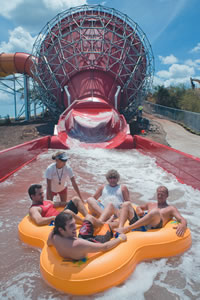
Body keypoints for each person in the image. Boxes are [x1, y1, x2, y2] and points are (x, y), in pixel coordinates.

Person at [47, 212, 127, 260]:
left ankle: (104, 222)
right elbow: (104, 247)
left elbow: (48, 243)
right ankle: (114, 222)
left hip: (82, 238)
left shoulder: (54, 236)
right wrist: (120, 238)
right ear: (61, 229)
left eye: (74, 224)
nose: (75, 227)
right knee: (107, 227)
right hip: (93, 241)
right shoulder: (78, 244)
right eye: (71, 226)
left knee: (89, 218)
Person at [116, 186, 187, 237]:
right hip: (141, 225)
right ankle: (120, 228)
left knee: (155, 212)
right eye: (158, 194)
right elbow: (139, 207)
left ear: (167, 196)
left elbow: (181, 219)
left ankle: (128, 228)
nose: (159, 196)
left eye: (162, 194)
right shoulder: (151, 204)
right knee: (126, 204)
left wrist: (183, 225)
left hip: (153, 227)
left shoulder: (171, 208)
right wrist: (139, 210)